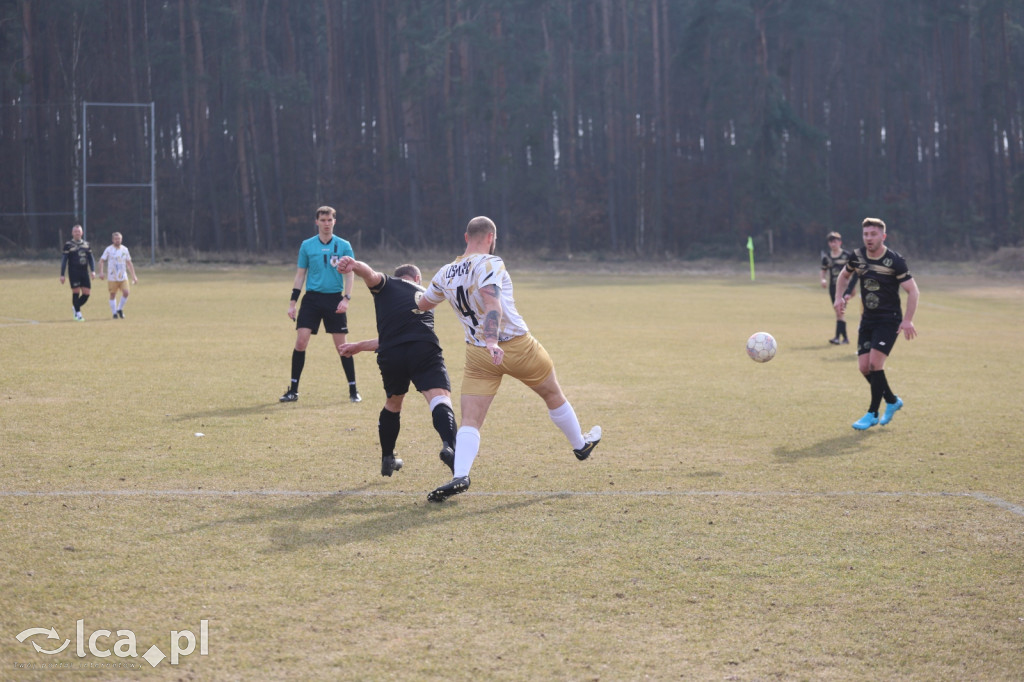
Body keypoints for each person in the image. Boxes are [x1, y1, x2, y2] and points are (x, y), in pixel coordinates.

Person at [416, 215, 601, 502]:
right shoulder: (491, 262)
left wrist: (408, 292)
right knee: (553, 394)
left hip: (477, 353)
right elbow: (493, 304)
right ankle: (580, 445)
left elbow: (424, 303)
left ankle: (460, 474)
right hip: (516, 346)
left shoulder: (444, 273)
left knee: (471, 420)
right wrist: (493, 340)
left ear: (466, 237)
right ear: (491, 238)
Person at [335, 257, 458, 478]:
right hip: (423, 349)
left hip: (391, 353)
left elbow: (370, 274)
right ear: (418, 278)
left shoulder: (387, 285)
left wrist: (354, 264)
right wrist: (355, 265)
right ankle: (450, 446)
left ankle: (387, 457)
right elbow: (370, 274)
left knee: (393, 403)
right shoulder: (425, 294)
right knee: (439, 398)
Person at [834, 217, 919, 430]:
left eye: (873, 234)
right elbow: (844, 276)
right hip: (868, 320)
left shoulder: (895, 261)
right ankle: (891, 400)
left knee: (875, 365)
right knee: (864, 368)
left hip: (889, 320)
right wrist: (839, 297)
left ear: (883, 236)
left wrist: (908, 320)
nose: (869, 238)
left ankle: (872, 413)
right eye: (865, 234)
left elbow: (913, 291)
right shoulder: (858, 256)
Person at [280, 206, 361, 403]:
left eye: (329, 220)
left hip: (334, 299)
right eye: (322, 220)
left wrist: (346, 298)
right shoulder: (307, 246)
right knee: (301, 341)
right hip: (312, 300)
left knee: (342, 347)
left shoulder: (344, 245)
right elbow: (300, 275)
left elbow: (350, 274)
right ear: (316, 222)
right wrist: (293, 303)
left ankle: (353, 391)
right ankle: (293, 391)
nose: (326, 223)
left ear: (335, 221)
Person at [820, 231, 858, 344]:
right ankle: (844, 338)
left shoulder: (847, 256)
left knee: (840, 312)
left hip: (845, 289)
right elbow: (823, 270)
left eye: (835, 241)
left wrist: (850, 289)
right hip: (833, 288)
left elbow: (856, 272)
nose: (833, 244)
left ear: (840, 242)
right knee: (839, 312)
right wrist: (823, 279)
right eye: (831, 242)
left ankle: (838, 338)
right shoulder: (827, 257)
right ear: (829, 244)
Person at [59, 224, 96, 321]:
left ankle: (75, 307)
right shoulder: (68, 245)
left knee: (87, 293)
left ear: (82, 233)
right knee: (76, 292)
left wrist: (93, 270)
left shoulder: (86, 244)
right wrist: (62, 274)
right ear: (72, 233)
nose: (77, 233)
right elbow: (64, 260)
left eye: (79, 231)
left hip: (84, 272)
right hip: (73, 272)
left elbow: (91, 259)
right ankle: (78, 314)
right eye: (75, 231)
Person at [98, 232, 138, 319]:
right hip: (112, 277)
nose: (117, 240)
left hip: (123, 276)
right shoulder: (109, 249)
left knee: (126, 292)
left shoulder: (125, 249)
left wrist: (134, 276)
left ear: (121, 239)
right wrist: (101, 272)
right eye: (116, 239)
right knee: (113, 294)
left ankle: (119, 309)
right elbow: (101, 261)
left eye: (119, 239)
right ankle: (114, 313)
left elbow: (129, 263)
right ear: (113, 240)